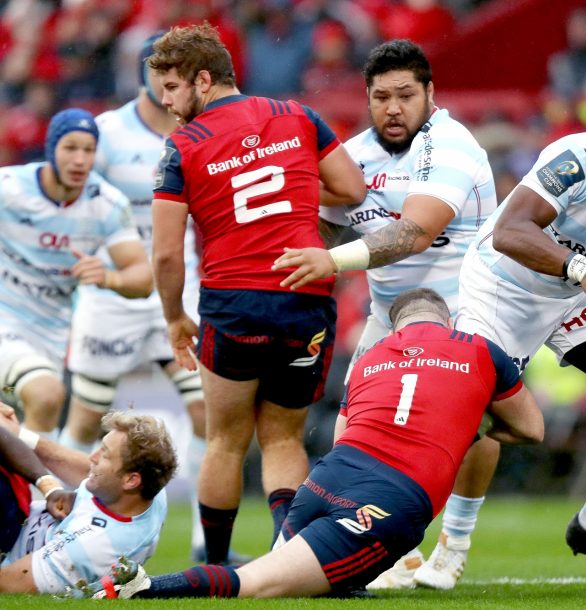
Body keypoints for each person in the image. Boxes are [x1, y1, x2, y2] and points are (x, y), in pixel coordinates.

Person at [82, 288, 544, 599]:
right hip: (388, 501)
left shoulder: (371, 357)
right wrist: (467, 429)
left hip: (327, 478)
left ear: (394, 325)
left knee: (286, 572)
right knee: (254, 585)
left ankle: (304, 554)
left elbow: (344, 436)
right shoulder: (480, 349)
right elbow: (531, 429)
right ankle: (142, 588)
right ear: (449, 320)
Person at [413, 100, 586, 589]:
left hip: (577, 299)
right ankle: (449, 549)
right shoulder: (581, 155)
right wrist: (585, 269)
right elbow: (509, 231)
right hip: (503, 283)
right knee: (475, 401)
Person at [274, 38, 497, 588]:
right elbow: (324, 228)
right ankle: (384, 551)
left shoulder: (452, 145)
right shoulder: (356, 157)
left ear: (430, 94)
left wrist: (328, 259)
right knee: (351, 426)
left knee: (479, 422)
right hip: (390, 315)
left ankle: (455, 544)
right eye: (380, 97)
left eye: (404, 95)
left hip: (467, 309)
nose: (392, 108)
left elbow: (415, 232)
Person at [146, 23, 366, 565]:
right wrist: (284, 178)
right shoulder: (297, 115)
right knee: (285, 439)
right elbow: (351, 188)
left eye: (172, 89)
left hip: (234, 299)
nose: (168, 104)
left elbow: (167, 254)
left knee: (225, 440)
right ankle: (284, 559)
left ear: (203, 78)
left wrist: (174, 317)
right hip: (304, 294)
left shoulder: (183, 146)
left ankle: (216, 565)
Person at [57, 33, 234, 563]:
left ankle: (209, 549)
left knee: (207, 413)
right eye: (164, 73)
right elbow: (73, 198)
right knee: (85, 422)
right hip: (112, 297)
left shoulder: (201, 130)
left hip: (176, 291)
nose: (169, 86)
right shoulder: (107, 133)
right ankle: (61, 532)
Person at [0, 108, 152, 439]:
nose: (80, 160)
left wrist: (110, 278)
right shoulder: (10, 188)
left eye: (88, 150)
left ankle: (30, 489)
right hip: (4, 320)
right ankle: (42, 492)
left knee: (44, 406)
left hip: (50, 336)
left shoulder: (107, 204)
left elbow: (143, 278)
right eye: (70, 148)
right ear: (51, 148)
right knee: (47, 394)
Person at [0, 403, 177, 595]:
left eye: (105, 454)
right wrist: (17, 433)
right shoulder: (149, 489)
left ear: (131, 480)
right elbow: (74, 464)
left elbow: (7, 582)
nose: (92, 457)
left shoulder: (90, 549)